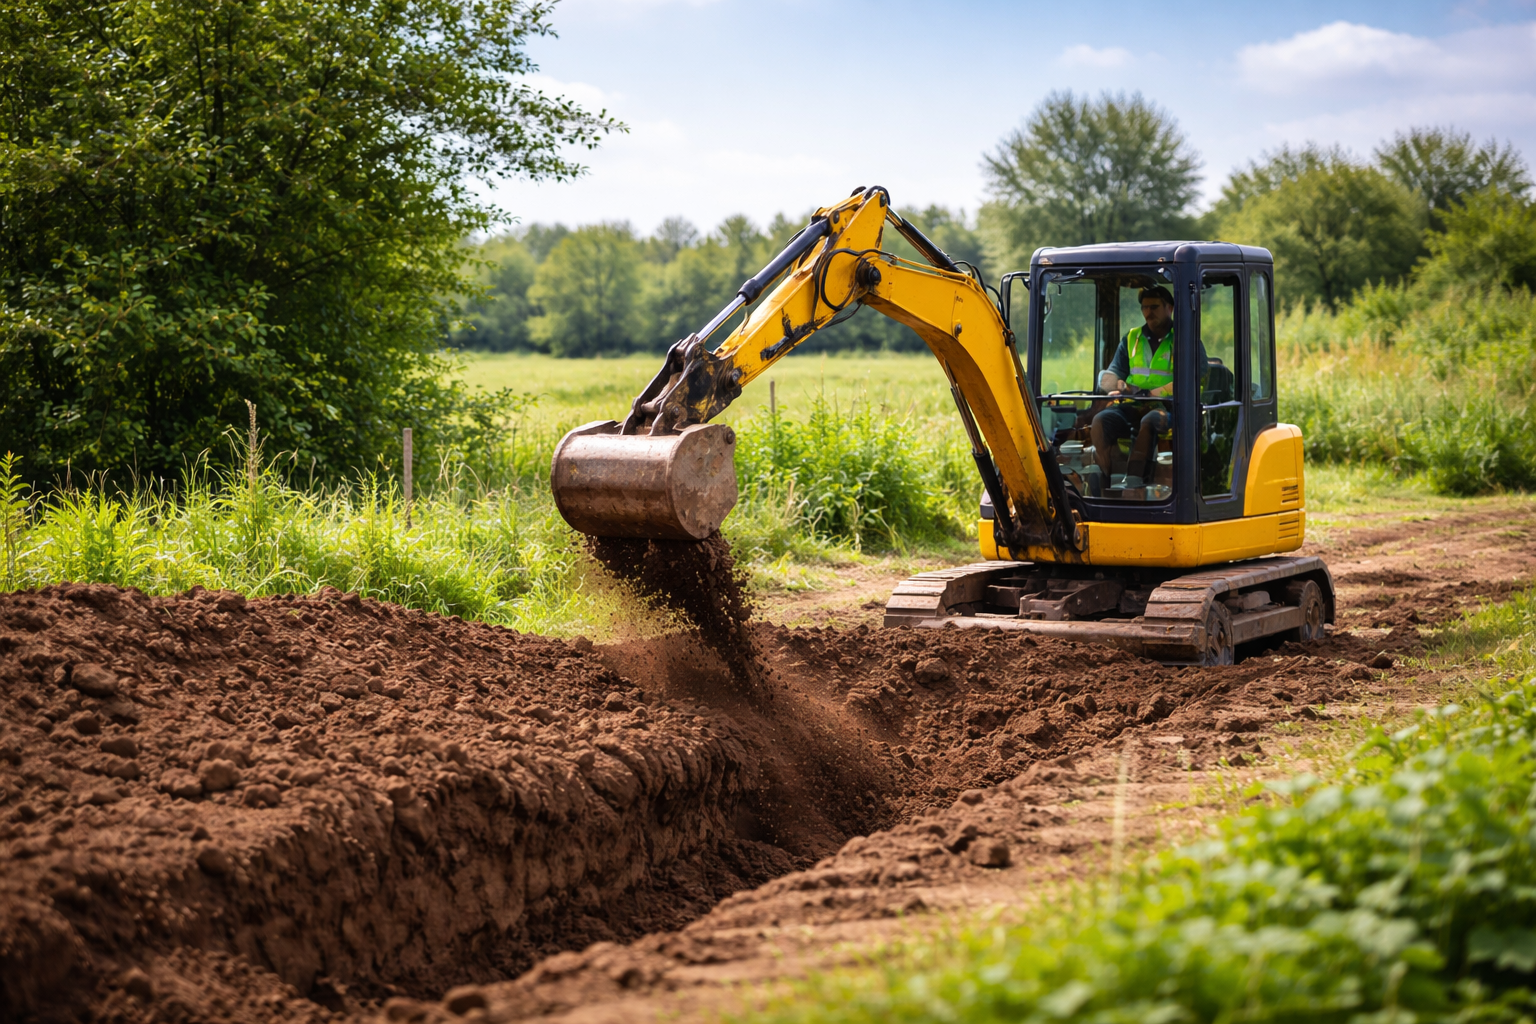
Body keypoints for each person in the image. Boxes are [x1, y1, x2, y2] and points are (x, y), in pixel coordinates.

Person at [1090, 285, 1204, 490]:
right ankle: (1102, 483)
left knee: (1150, 420)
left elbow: (1196, 378)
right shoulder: (1131, 339)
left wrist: (1152, 394)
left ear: (1169, 307)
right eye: (1144, 307)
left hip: (1171, 410)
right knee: (1101, 420)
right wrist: (1119, 385)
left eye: (1154, 307)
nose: (1148, 312)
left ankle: (1133, 484)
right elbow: (1111, 375)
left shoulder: (1184, 339)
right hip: (1133, 406)